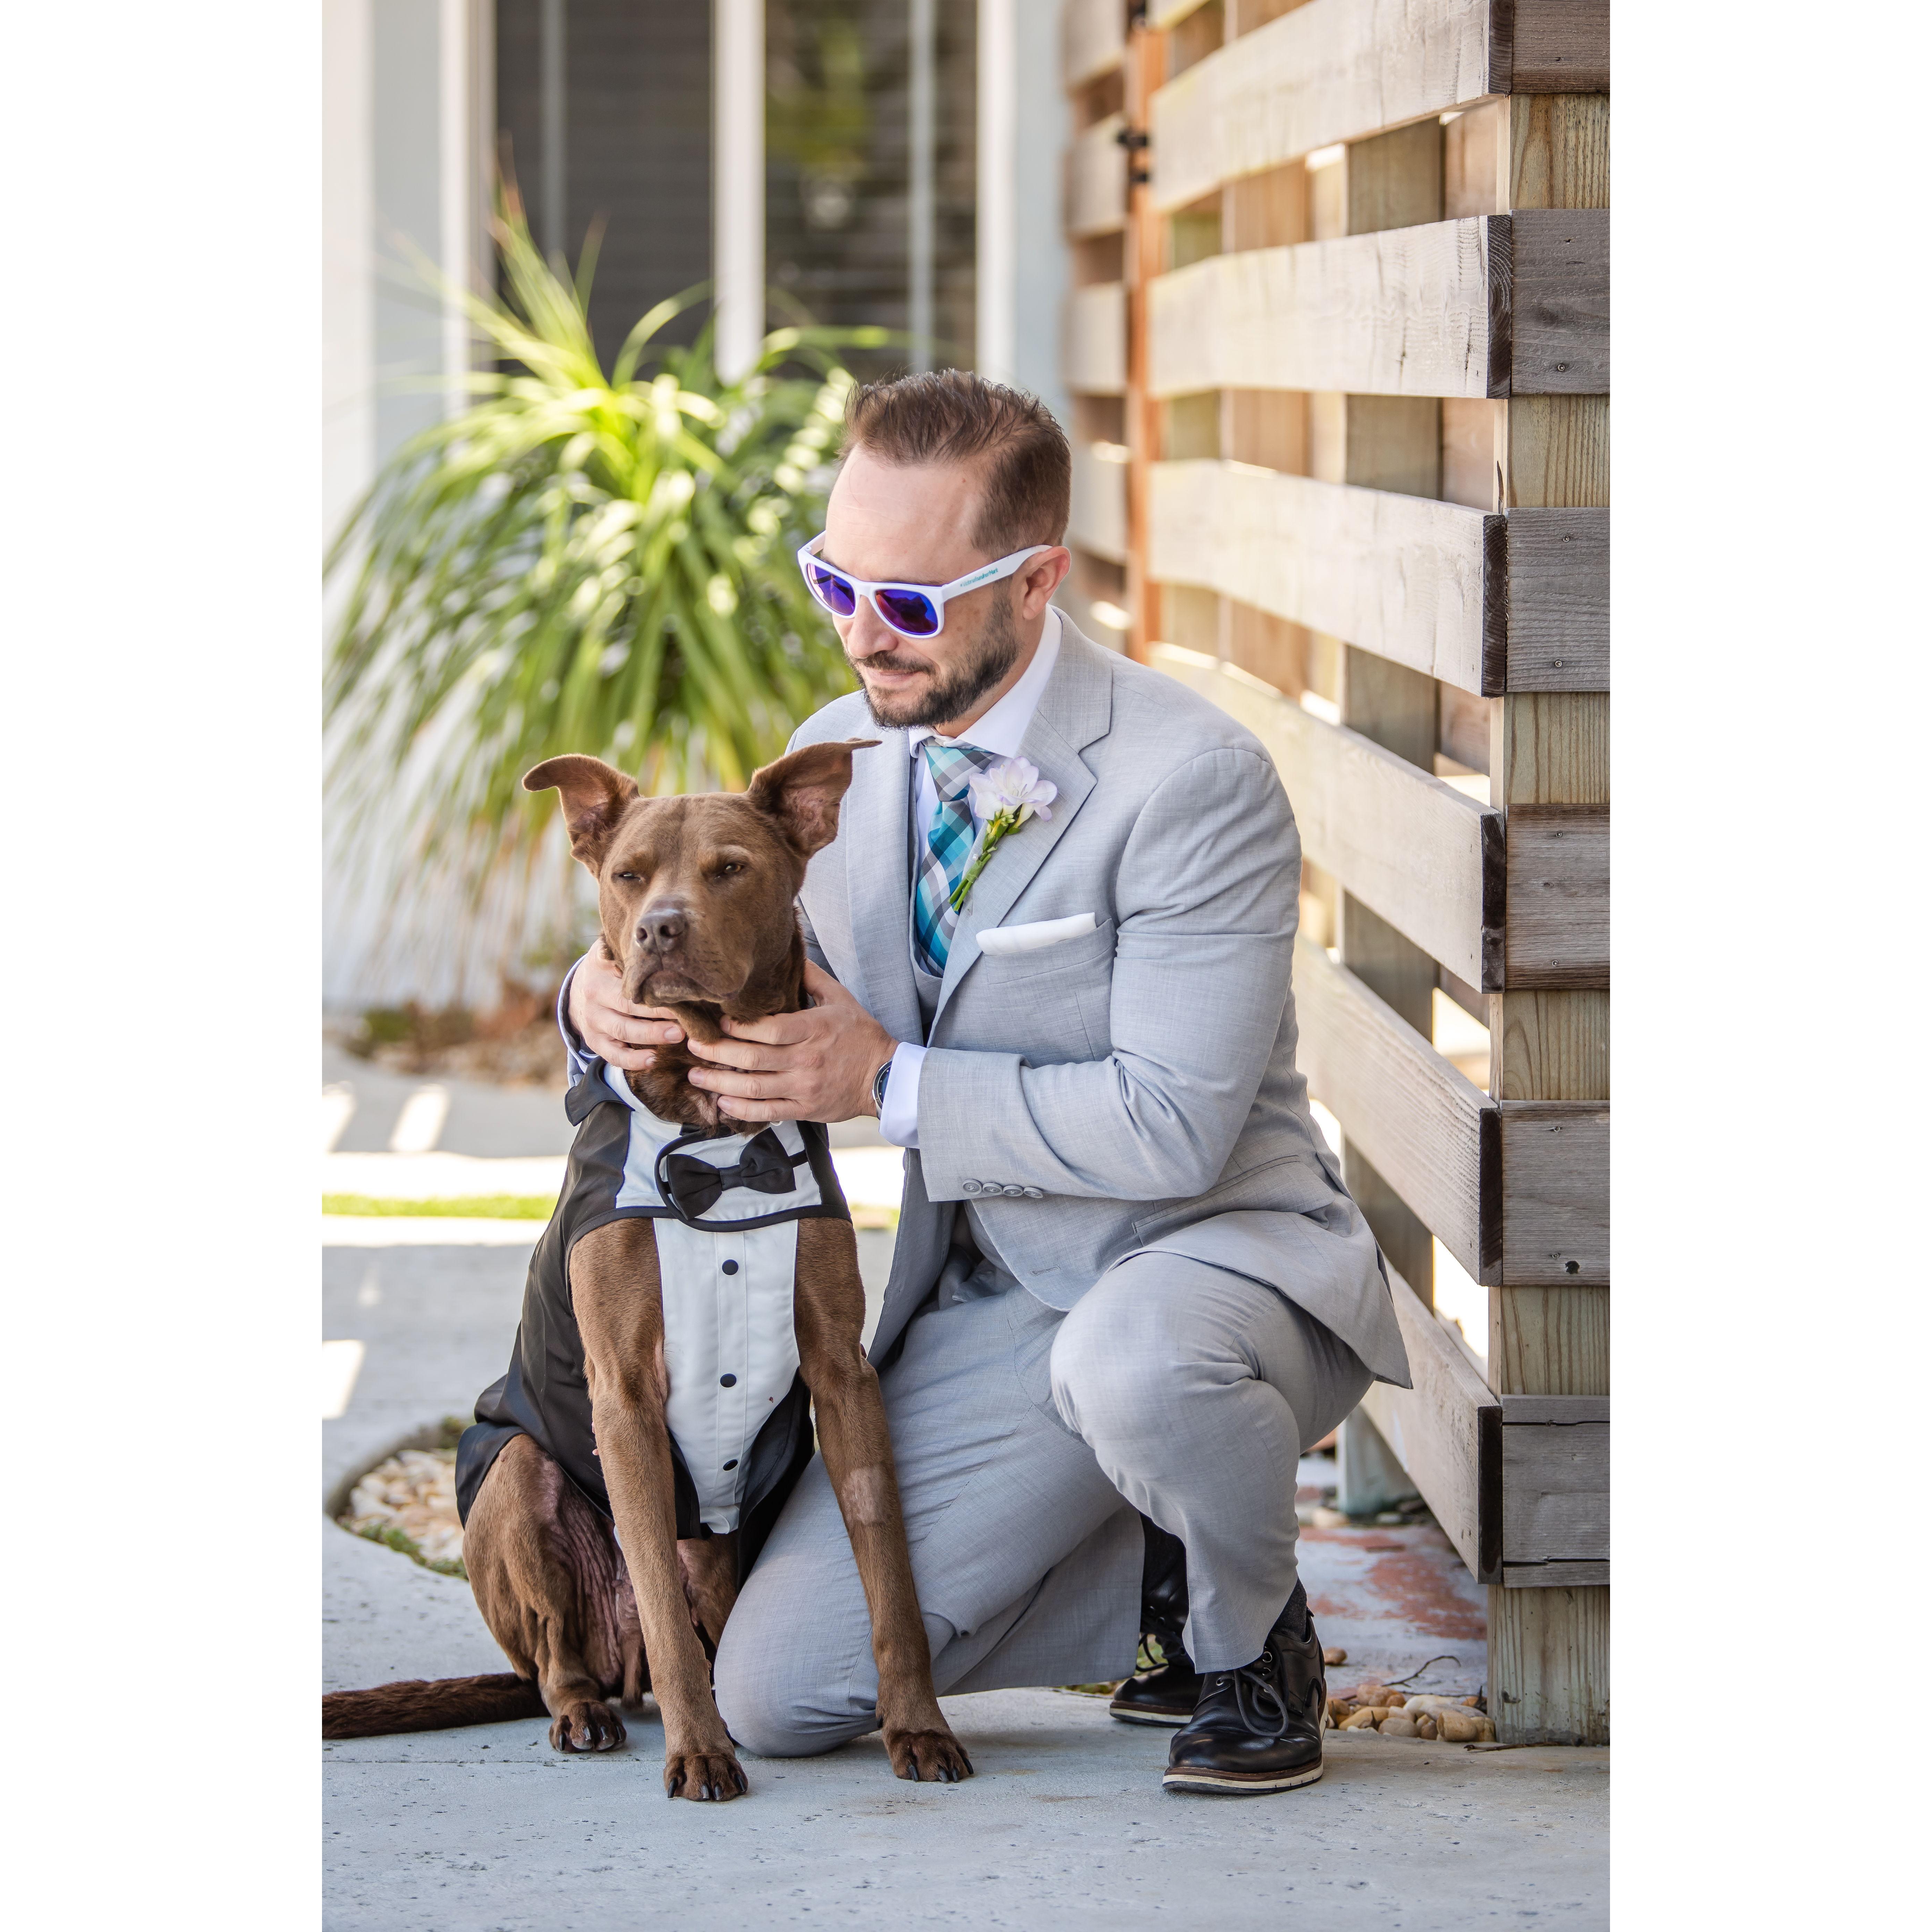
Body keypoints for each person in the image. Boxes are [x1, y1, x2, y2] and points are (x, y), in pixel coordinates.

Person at [559, 369, 1410, 1795]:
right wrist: (594, 1002)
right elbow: (728, 947)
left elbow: (1173, 1123)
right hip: (989, 1293)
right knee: (781, 1694)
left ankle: (1248, 1631)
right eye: (838, 580)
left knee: (1133, 1366)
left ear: (1034, 585)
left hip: (1202, 1264)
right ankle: (1169, 1544)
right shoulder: (857, 752)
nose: (858, 632)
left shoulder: (1190, 777)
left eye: (906, 602)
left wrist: (885, 1081)